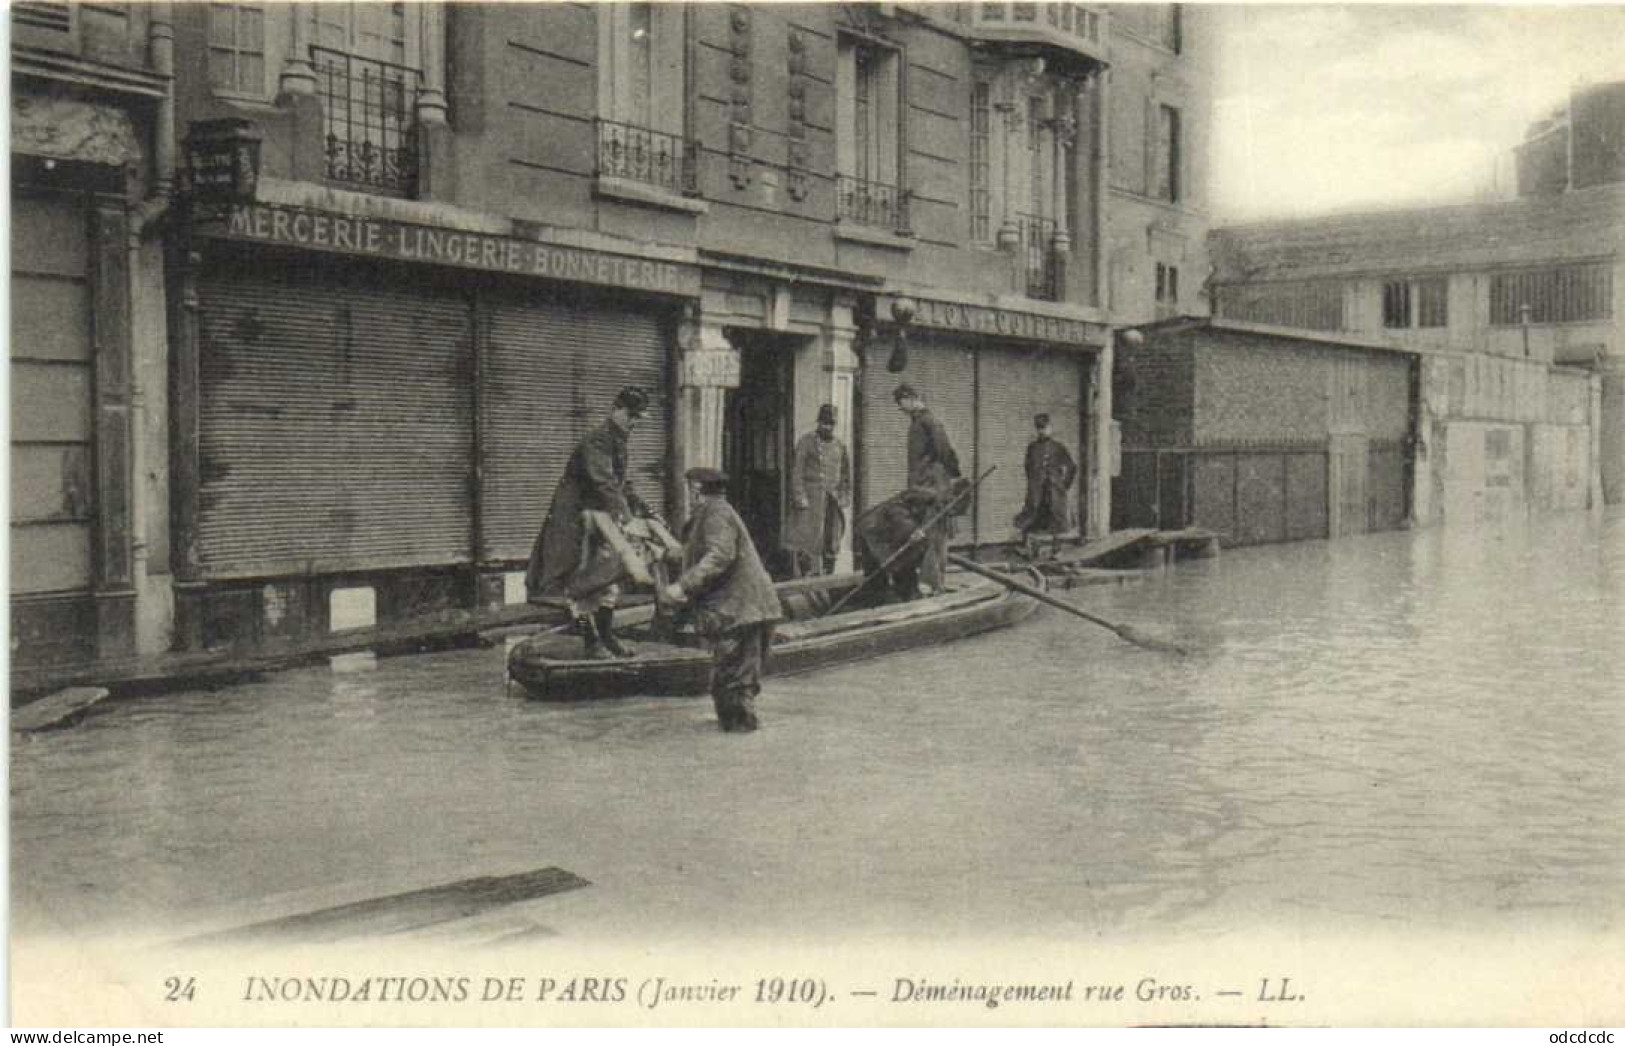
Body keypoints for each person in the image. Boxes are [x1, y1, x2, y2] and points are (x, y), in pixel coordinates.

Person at [526, 385, 650, 660]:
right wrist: (627, 519)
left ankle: (606, 636)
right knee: (581, 579)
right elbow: (603, 481)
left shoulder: (617, 441)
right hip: (576, 522)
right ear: (615, 409)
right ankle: (592, 641)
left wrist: (642, 508)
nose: (634, 423)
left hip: (598, 521)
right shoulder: (598, 440)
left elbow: (618, 483)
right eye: (631, 415)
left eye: (638, 418)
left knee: (605, 578)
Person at [663, 467, 784, 733]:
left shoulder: (716, 512)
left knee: (736, 685)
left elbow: (719, 555)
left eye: (689, 489)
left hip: (742, 611)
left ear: (696, 490)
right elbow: (703, 553)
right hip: (742, 610)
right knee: (728, 683)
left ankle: (743, 756)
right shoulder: (714, 512)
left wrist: (683, 585)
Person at [894, 383, 963, 595]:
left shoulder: (929, 423)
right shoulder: (919, 423)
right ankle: (935, 584)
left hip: (932, 489)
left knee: (933, 534)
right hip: (922, 489)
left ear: (910, 398)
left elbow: (945, 453)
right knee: (929, 534)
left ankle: (932, 585)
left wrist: (949, 481)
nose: (900, 408)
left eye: (901, 403)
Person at [785, 403, 853, 577]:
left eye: (831, 424)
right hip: (811, 498)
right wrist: (800, 496)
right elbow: (797, 471)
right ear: (818, 422)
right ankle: (806, 575)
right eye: (824, 423)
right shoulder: (806, 442)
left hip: (832, 499)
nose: (827, 427)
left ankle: (828, 574)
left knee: (832, 537)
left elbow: (846, 474)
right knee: (808, 539)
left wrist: (844, 495)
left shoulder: (840, 446)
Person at [1014, 412, 1078, 561]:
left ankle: (1056, 550)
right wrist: (1033, 483)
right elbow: (1028, 468)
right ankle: (1031, 550)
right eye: (1039, 428)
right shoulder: (1032, 448)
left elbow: (1072, 467)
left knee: (1056, 520)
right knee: (1032, 518)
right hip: (1037, 491)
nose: (1042, 431)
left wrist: (1064, 485)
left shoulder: (1058, 447)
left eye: (1045, 427)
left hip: (1054, 491)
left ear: (1051, 427)